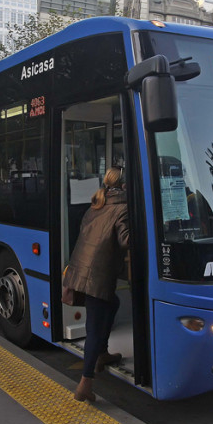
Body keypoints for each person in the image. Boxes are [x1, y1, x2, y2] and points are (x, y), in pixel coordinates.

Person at [62, 166, 129, 402]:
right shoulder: (122, 208)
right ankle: (85, 384)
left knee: (113, 304)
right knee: (94, 327)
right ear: (123, 186)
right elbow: (126, 241)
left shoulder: (96, 205)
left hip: (82, 271)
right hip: (97, 276)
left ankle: (102, 353)